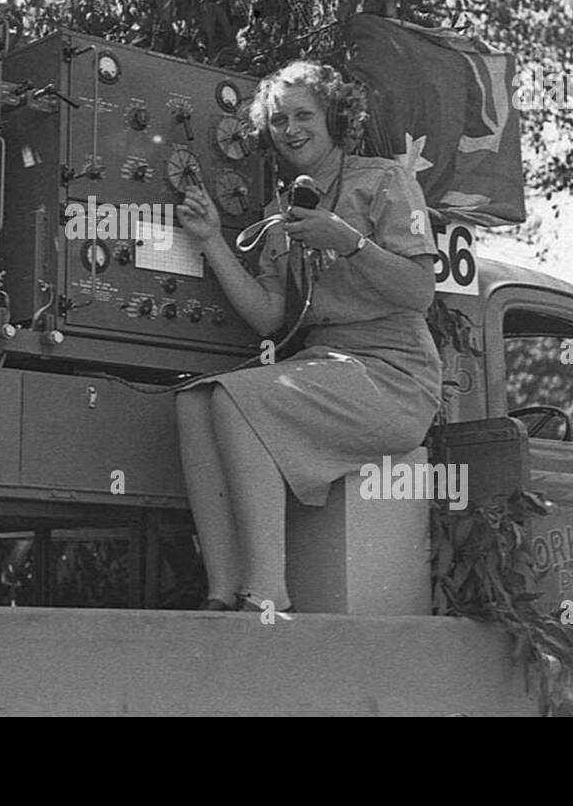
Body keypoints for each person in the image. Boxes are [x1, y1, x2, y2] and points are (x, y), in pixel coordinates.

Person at [173, 60, 442, 613]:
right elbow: (271, 318)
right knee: (195, 400)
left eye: (304, 115)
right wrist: (210, 243)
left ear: (335, 117)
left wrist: (348, 241)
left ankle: (268, 590)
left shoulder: (384, 181)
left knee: (234, 398)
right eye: (278, 120)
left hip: (394, 377)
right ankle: (223, 592)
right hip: (327, 368)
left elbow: (419, 291)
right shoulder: (280, 211)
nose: (291, 129)